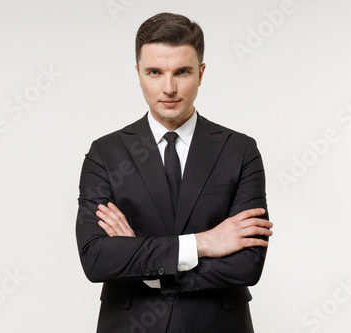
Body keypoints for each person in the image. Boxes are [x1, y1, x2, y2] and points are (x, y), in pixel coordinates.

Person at [76, 12, 273, 333]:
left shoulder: (240, 150)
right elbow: (97, 259)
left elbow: (246, 265)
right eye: (155, 72)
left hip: (218, 325)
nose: (168, 88)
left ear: (201, 73)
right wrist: (202, 243)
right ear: (138, 73)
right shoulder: (105, 153)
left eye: (182, 72)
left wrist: (146, 267)